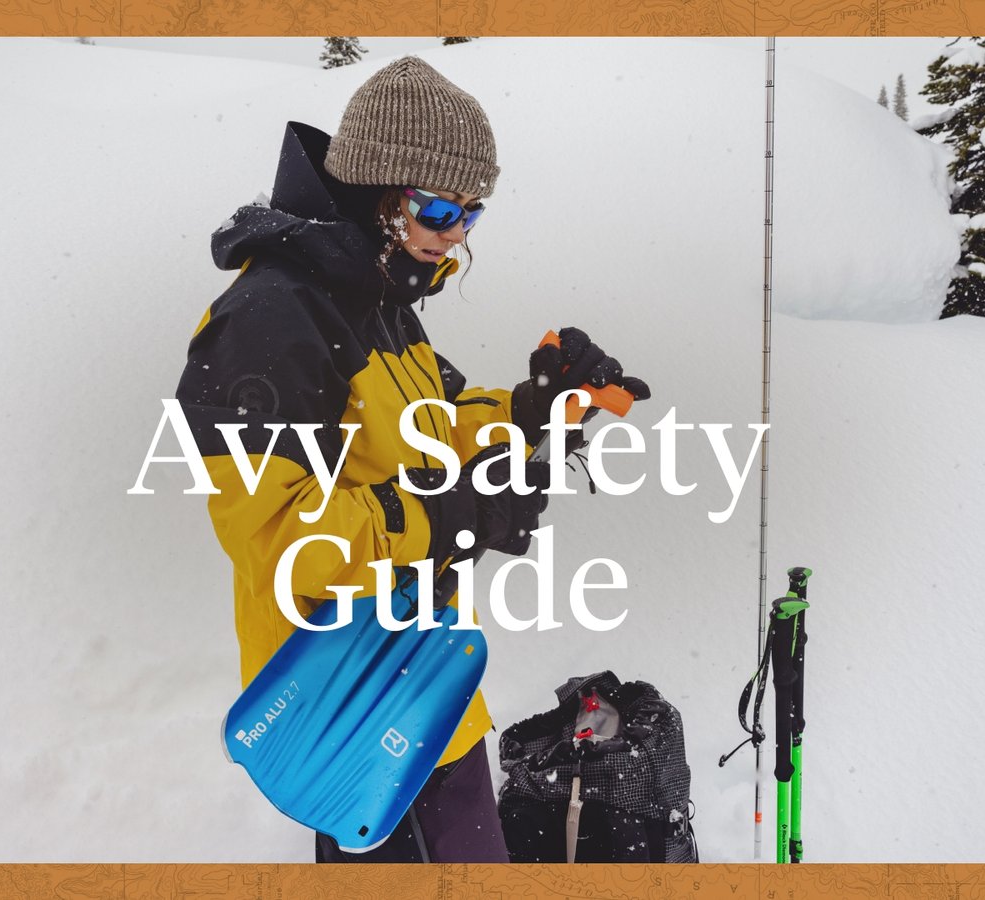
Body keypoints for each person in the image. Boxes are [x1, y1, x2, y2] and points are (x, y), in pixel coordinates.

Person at [176, 56, 649, 863]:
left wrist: (533, 409)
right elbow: (278, 537)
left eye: (473, 213)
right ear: (379, 197)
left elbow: (436, 425)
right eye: (439, 212)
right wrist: (448, 516)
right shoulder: (270, 319)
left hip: (419, 679)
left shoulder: (380, 300)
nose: (457, 238)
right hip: (352, 701)